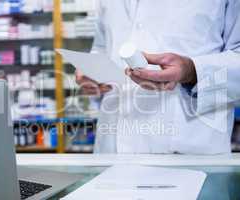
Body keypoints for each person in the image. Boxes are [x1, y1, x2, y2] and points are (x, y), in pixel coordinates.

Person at [76, 0, 240, 154]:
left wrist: (192, 70)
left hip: (187, 148)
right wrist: (93, 70)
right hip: (111, 146)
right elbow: (103, 47)